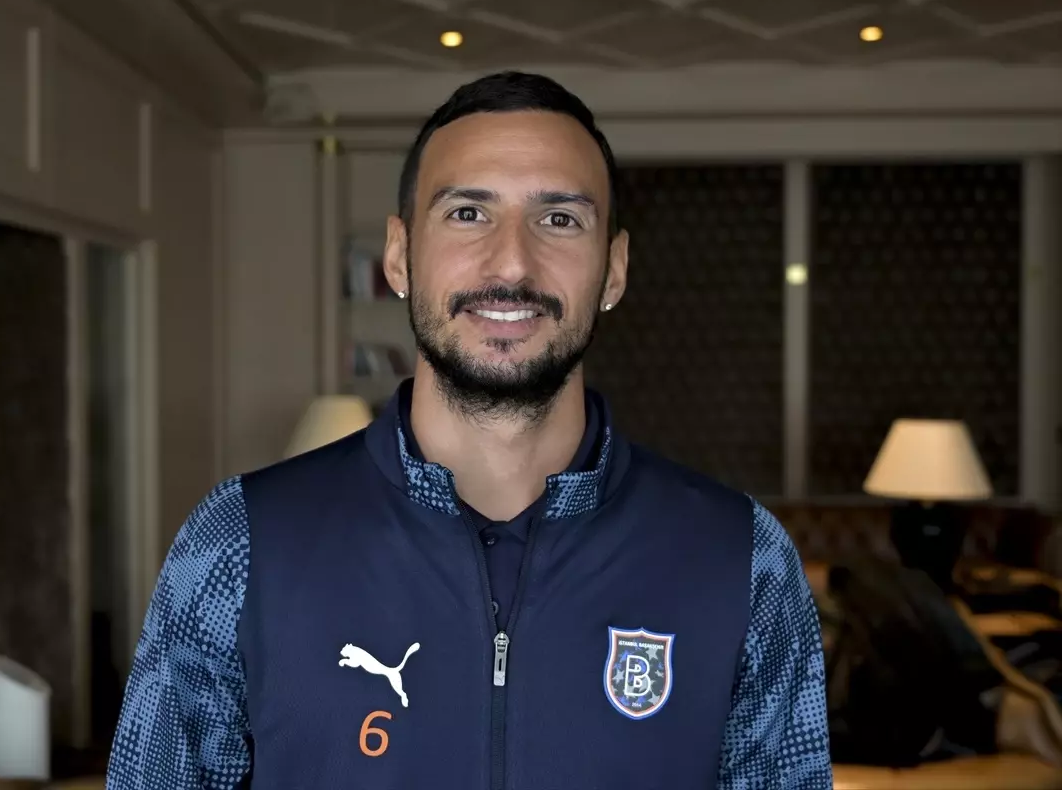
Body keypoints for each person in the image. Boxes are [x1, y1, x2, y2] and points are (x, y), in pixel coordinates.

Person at [106, 70, 832, 789]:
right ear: (400, 256)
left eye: (559, 219)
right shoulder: (239, 542)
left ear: (613, 270)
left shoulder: (745, 560)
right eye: (467, 213)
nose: (511, 262)